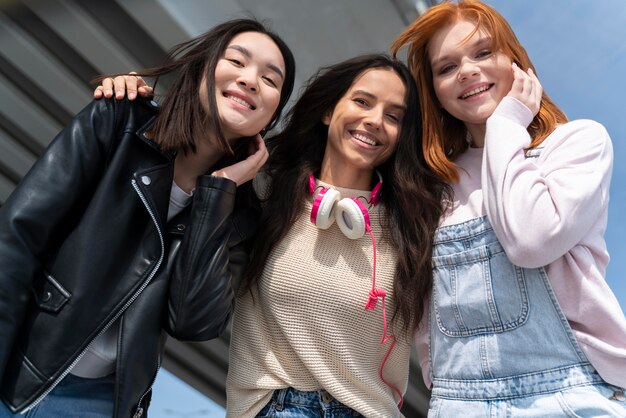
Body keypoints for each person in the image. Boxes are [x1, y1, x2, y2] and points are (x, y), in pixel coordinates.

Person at [0, 18, 295, 418]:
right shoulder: (119, 123)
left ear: (272, 116)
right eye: (236, 61)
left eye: (270, 79)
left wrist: (218, 192)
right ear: (202, 69)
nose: (250, 80)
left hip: (100, 403)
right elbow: (17, 239)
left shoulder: (239, 218)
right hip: (18, 365)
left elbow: (192, 323)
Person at [390, 0, 626, 415]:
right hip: (459, 403)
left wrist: (505, 124)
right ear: (436, 95)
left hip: (572, 392)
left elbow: (530, 240)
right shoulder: (432, 187)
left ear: (516, 62)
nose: (466, 71)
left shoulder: (575, 145)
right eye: (446, 68)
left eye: (483, 53)